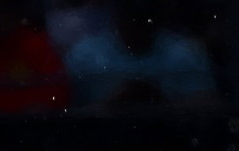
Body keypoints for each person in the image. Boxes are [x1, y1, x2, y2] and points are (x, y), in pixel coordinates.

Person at [64, 0, 217, 109]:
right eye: (131, 16)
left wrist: (161, 102)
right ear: (117, 15)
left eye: (144, 17)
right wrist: (112, 103)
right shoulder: (86, 54)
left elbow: (207, 106)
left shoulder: (184, 53)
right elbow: (68, 111)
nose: (137, 25)